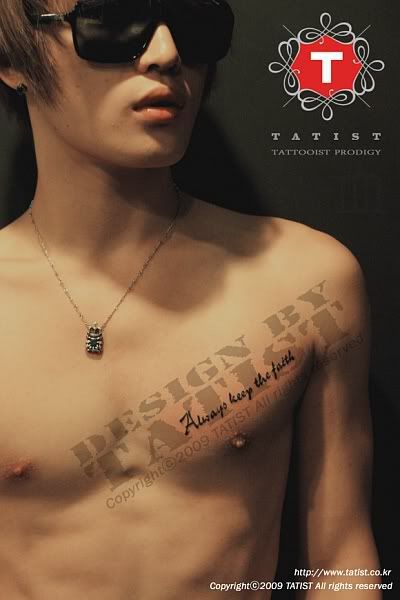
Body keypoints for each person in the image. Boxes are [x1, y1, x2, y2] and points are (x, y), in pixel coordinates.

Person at [0, 1, 382, 598]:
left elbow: (341, 564)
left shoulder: (307, 283)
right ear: (12, 58)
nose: (167, 53)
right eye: (112, 22)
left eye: (196, 25)